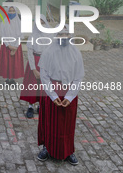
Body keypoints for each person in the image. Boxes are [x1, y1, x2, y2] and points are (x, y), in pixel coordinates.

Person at [37, 25, 85, 166]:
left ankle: (68, 150)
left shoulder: (76, 53)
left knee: (67, 123)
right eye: (60, 34)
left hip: (70, 90)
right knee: (50, 121)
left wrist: (69, 97)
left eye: (66, 34)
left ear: (70, 36)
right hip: (52, 90)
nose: (64, 37)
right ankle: (47, 148)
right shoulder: (48, 52)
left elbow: (78, 78)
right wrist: (53, 96)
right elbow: (44, 77)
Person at [20, 14, 54, 118]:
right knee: (33, 85)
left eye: (42, 22)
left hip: (46, 62)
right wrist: (33, 69)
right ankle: (30, 106)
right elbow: (30, 54)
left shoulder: (50, 36)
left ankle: (40, 105)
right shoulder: (33, 36)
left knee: (44, 86)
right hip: (35, 61)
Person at [0, 5, 24, 84]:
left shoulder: (19, 22)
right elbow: (2, 35)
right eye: (10, 11)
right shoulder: (4, 21)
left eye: (13, 11)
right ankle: (7, 79)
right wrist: (8, 45)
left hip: (16, 46)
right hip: (6, 46)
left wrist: (15, 47)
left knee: (14, 63)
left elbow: (21, 35)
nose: (11, 12)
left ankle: (13, 79)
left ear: (15, 12)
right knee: (6, 63)